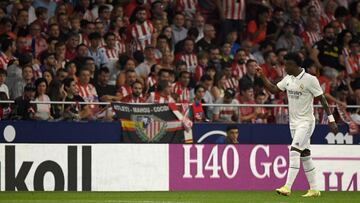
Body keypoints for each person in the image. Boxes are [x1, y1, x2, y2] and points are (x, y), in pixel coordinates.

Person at [255, 53, 338, 197]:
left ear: (296, 65)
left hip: (306, 122)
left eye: (288, 64)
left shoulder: (310, 80)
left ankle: (287, 187)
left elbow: (322, 99)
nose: (285, 67)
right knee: (305, 155)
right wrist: (262, 76)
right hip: (293, 123)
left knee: (294, 151)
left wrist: (331, 119)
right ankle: (314, 189)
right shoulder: (288, 78)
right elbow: (274, 89)